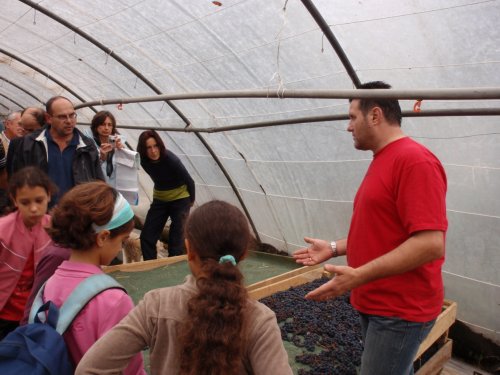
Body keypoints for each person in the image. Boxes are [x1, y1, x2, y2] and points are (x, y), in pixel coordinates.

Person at [293, 81, 448, 375]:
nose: (348, 126)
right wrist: (335, 248)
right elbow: (383, 231)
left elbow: (430, 243)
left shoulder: (414, 162)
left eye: (352, 117)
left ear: (374, 115)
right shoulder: (383, 159)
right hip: (377, 302)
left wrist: (358, 275)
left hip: (399, 310)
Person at [75, 200, 292, 375]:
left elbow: (89, 369)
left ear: (188, 249)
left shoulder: (156, 305)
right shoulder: (260, 320)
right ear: (244, 254)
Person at [41, 181, 145, 374]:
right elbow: (131, 369)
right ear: (103, 237)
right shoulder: (114, 301)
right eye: (122, 241)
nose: (119, 249)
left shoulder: (50, 284)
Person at [7, 96, 104, 205]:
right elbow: (17, 183)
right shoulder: (30, 144)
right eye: (62, 117)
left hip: (79, 216)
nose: (69, 121)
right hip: (41, 216)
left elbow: (98, 184)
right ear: (49, 118)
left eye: (72, 115)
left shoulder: (87, 146)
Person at [0, 166, 56, 339]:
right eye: (25, 202)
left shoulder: (56, 229)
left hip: (38, 312)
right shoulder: (2, 230)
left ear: (49, 195)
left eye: (39, 200)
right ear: (14, 200)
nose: (33, 208)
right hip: (4, 314)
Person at [137, 130, 195, 259]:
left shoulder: (171, 160)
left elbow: (190, 181)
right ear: (143, 150)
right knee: (147, 236)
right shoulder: (142, 161)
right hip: (160, 199)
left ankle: (173, 268)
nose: (153, 151)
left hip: (180, 198)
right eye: (148, 148)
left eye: (155, 146)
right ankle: (150, 266)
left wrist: (191, 201)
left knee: (176, 238)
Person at [88, 110, 125, 187]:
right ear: (96, 126)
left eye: (109, 125)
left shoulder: (118, 142)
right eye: (103, 124)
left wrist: (122, 152)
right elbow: (88, 170)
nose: (106, 128)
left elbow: (126, 169)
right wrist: (101, 158)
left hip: (116, 187)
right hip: (97, 187)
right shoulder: (89, 144)